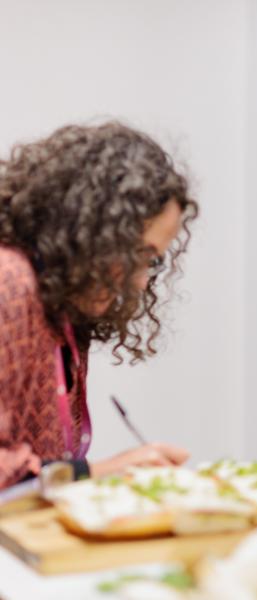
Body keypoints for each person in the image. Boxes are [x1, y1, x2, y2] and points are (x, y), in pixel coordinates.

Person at [0, 122, 199, 489]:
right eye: (138, 255)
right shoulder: (9, 281)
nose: (140, 282)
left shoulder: (61, 306)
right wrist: (100, 472)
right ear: (88, 231)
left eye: (153, 263)